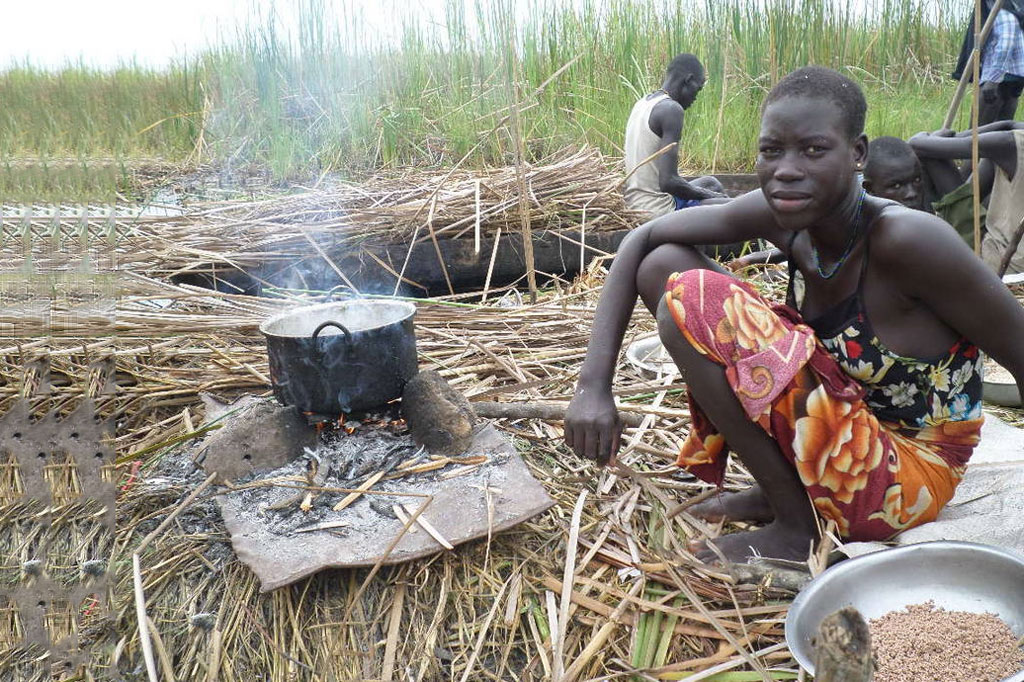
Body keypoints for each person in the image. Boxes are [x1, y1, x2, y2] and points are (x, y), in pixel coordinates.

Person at [564, 67, 1024, 564]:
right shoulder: (786, 214)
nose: (785, 168)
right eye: (771, 150)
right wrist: (593, 386)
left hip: (909, 473)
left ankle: (797, 529)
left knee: (696, 298)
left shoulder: (907, 240)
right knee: (664, 265)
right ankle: (786, 492)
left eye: (814, 150)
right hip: (845, 430)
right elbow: (643, 239)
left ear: (858, 155)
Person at [910, 121, 1024, 273]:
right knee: (991, 155)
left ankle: (931, 246)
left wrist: (936, 137)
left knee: (928, 156)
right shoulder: (1007, 142)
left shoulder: (1007, 143)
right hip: (1012, 251)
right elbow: (1010, 125)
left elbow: (916, 144)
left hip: (1004, 263)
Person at [624, 53, 727, 221]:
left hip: (634, 204)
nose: (695, 97)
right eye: (698, 89)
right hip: (656, 211)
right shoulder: (671, 110)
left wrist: (708, 192)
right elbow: (668, 182)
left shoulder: (643, 103)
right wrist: (712, 197)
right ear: (688, 80)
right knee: (728, 206)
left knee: (711, 183)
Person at [951, 0, 1024, 124]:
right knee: (998, 135)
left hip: (997, 82)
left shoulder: (1000, 6)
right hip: (1014, 81)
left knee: (976, 135)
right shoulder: (1016, 5)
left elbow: (1006, 41)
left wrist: (992, 80)